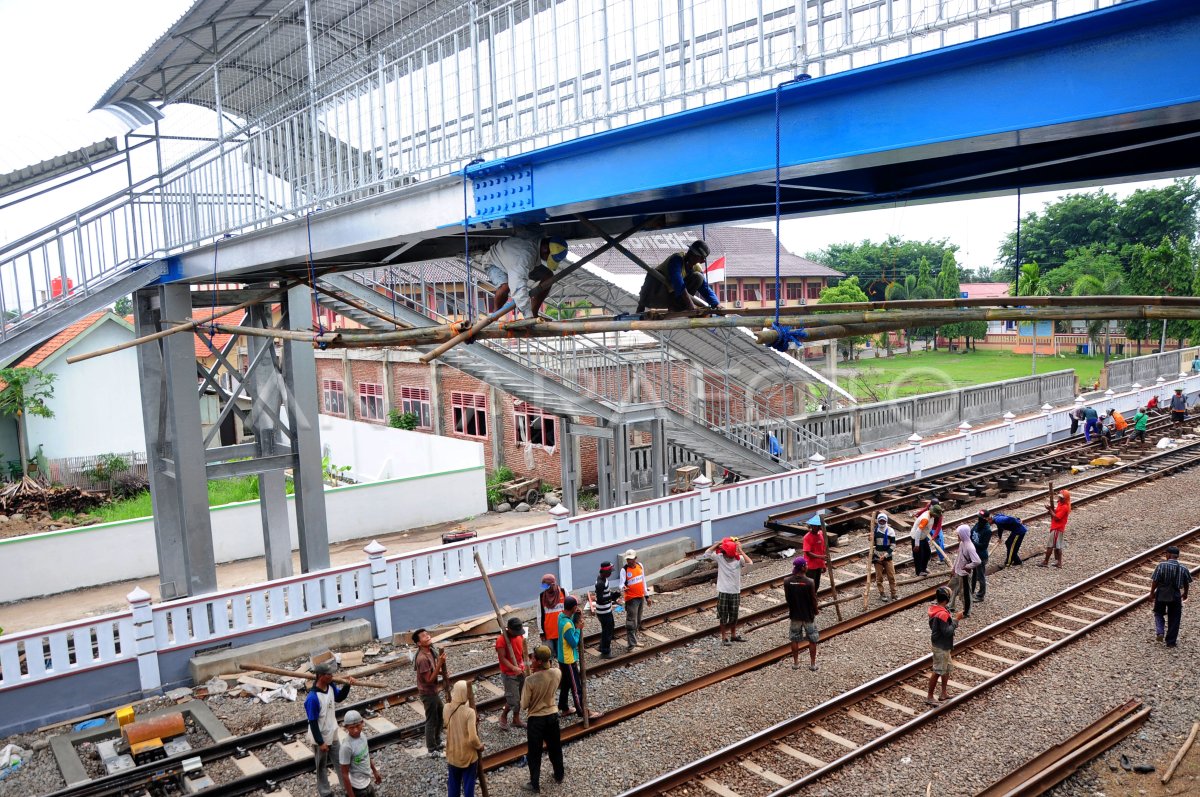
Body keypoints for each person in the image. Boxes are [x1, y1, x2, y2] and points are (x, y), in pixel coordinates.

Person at [483, 227, 569, 318]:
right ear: (545, 249)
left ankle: (534, 312)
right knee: (506, 287)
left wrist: (531, 315)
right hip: (494, 262)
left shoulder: (539, 233)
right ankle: (494, 318)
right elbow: (517, 288)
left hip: (515, 260)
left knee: (548, 276)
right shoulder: (523, 258)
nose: (547, 260)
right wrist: (528, 316)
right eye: (548, 257)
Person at [305, 661, 356, 797]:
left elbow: (339, 697)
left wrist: (347, 685)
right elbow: (313, 722)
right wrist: (321, 742)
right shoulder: (313, 698)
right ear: (321, 676)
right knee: (321, 766)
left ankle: (347, 788)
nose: (332, 676)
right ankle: (325, 792)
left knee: (340, 762)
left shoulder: (330, 686)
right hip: (319, 737)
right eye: (329, 674)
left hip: (332, 733)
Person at [520, 645, 564, 793]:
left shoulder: (530, 681)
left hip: (536, 719)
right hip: (552, 715)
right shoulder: (557, 672)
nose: (531, 659)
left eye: (533, 657)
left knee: (534, 753)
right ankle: (559, 774)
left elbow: (524, 705)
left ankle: (534, 783)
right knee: (555, 748)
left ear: (538, 661)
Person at [636, 239, 721, 313]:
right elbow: (678, 282)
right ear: (692, 254)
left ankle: (677, 307)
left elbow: (705, 288)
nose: (702, 261)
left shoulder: (696, 268)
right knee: (653, 272)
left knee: (699, 277)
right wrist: (690, 305)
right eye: (700, 258)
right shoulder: (676, 260)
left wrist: (716, 304)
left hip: (670, 300)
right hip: (655, 296)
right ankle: (641, 304)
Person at [702, 537, 753, 644]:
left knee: (734, 616)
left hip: (735, 591)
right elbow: (706, 554)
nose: (724, 554)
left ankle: (733, 635)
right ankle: (724, 637)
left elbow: (750, 563)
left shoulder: (739, 559)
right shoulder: (720, 557)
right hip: (724, 591)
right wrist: (718, 543)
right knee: (723, 616)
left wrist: (741, 551)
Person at [556, 596, 597, 719]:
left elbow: (570, 622)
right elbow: (573, 642)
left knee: (566, 684)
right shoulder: (567, 625)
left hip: (562, 658)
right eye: (576, 607)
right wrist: (578, 629)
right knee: (576, 687)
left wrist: (576, 617)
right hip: (568, 659)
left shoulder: (561, 617)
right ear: (573, 607)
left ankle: (563, 707)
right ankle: (582, 711)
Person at [445, 680, 485, 797]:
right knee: (468, 786)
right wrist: (479, 746)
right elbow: (472, 737)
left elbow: (445, 725)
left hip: (452, 754)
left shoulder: (447, 708)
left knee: (453, 785)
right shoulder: (470, 712)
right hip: (468, 756)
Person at [926, 586, 963, 706]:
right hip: (941, 646)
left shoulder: (936, 609)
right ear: (947, 599)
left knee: (946, 668)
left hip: (942, 644)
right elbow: (947, 631)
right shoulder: (942, 614)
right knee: (938, 670)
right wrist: (957, 620)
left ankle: (943, 693)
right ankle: (930, 697)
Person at [412, 628, 446, 756]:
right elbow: (430, 679)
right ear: (419, 643)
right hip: (428, 692)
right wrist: (440, 664)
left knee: (440, 715)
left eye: (427, 634)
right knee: (431, 720)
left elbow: (434, 671)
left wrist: (442, 671)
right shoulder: (422, 659)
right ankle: (432, 749)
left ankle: (437, 741)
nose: (427, 636)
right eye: (423, 636)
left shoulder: (431, 651)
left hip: (433, 691)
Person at [1150, 545, 1193, 647]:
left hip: (1162, 592)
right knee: (1174, 617)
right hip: (1176, 594)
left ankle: (1160, 631)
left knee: (1158, 612)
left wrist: (1152, 593)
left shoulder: (1161, 565)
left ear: (1168, 555)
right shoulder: (1183, 568)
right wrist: (1185, 593)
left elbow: (1155, 580)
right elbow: (1187, 582)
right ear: (1177, 556)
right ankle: (1171, 642)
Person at [783, 555, 820, 671]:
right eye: (806, 565)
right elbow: (813, 599)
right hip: (808, 615)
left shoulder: (787, 581)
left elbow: (788, 598)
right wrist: (816, 610)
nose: (807, 566)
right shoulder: (810, 582)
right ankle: (813, 664)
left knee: (794, 639)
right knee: (812, 639)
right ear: (803, 567)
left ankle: (796, 663)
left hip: (795, 614)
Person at [338, 710, 382, 797]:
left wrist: (375, 771)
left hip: (367, 782)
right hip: (356, 788)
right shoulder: (346, 747)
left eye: (358, 726)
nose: (355, 730)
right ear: (346, 727)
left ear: (362, 723)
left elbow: (366, 755)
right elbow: (344, 774)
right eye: (351, 727)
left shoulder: (363, 736)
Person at [496, 617, 528, 730]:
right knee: (513, 699)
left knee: (519, 698)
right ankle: (503, 716)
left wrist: (524, 664)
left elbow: (522, 651)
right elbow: (502, 658)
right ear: (508, 629)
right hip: (509, 674)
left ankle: (516, 719)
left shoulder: (519, 636)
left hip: (520, 671)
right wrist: (514, 668)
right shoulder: (501, 640)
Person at [620, 549, 652, 650]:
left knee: (638, 620)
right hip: (631, 599)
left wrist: (647, 597)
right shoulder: (624, 570)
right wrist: (623, 587)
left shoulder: (640, 566)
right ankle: (631, 645)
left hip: (640, 597)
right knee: (631, 622)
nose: (629, 561)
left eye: (631, 559)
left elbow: (643, 582)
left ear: (635, 558)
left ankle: (634, 640)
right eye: (628, 559)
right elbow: (621, 584)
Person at [948, 524, 980, 618]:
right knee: (951, 587)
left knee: (965, 593)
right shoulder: (962, 543)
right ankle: (951, 605)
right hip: (958, 571)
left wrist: (967, 567)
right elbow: (958, 557)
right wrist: (954, 568)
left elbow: (977, 561)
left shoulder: (970, 547)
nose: (957, 536)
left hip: (964, 574)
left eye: (959, 535)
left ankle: (967, 611)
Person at [589, 561, 620, 659]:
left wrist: (612, 597)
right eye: (610, 571)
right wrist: (612, 596)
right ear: (605, 572)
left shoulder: (604, 579)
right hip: (603, 611)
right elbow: (600, 599)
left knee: (607, 629)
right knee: (608, 631)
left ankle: (602, 646)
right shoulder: (600, 583)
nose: (611, 573)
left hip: (606, 610)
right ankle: (605, 652)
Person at [1040, 489, 1072, 569]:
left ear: (1064, 499)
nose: (1059, 498)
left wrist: (1050, 510)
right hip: (1057, 528)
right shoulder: (1060, 504)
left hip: (1057, 528)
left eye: (1061, 497)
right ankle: (1059, 563)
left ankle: (1045, 562)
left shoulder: (1065, 507)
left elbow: (1057, 517)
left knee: (1050, 545)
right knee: (1058, 546)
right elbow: (1056, 513)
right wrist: (1051, 510)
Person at [871, 511, 898, 602]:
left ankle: (893, 594)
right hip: (877, 557)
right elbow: (873, 544)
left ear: (886, 521)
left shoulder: (890, 531)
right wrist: (870, 539)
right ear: (878, 521)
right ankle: (882, 594)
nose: (882, 523)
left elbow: (893, 545)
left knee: (891, 576)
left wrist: (885, 555)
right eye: (880, 521)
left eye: (883, 521)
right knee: (879, 578)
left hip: (888, 557)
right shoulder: (875, 531)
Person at [537, 573, 565, 658]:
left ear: (553, 584)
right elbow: (539, 615)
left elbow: (569, 609)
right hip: (548, 633)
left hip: (562, 630)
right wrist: (541, 632)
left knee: (563, 656)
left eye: (547, 587)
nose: (546, 590)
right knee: (548, 657)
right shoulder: (542, 597)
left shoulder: (563, 592)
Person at [970, 510, 995, 604]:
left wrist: (972, 543)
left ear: (986, 519)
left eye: (981, 518)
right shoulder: (977, 525)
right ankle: (971, 591)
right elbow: (972, 532)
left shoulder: (987, 530)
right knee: (974, 575)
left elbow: (984, 545)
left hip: (981, 557)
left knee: (981, 576)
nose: (979, 519)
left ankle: (981, 595)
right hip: (974, 554)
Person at [802, 514, 829, 591]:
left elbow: (822, 550)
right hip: (810, 566)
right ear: (812, 526)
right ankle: (809, 599)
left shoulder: (821, 534)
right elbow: (808, 553)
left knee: (817, 584)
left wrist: (823, 564)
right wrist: (821, 557)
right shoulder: (807, 537)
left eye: (819, 526)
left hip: (819, 564)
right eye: (816, 526)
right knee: (810, 584)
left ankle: (814, 597)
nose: (817, 528)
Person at [911, 504, 934, 577]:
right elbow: (918, 531)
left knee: (927, 553)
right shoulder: (925, 518)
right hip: (917, 538)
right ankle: (919, 571)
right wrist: (917, 544)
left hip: (923, 537)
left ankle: (923, 568)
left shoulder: (931, 515)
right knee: (918, 555)